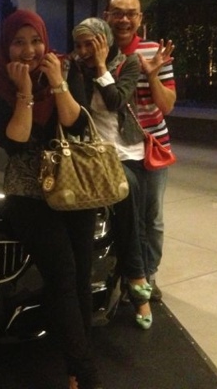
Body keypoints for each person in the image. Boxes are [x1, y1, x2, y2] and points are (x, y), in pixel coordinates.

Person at [0, 9, 103, 389]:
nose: (30, 50)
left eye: (36, 40)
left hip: (73, 184)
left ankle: (76, 365)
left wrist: (57, 83)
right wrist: (24, 92)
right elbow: (16, 141)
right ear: (7, 46)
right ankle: (85, 371)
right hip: (29, 192)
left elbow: (76, 124)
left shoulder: (66, 69)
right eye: (19, 42)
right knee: (63, 274)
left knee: (80, 276)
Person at [71, 17, 152, 330]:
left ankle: (137, 281)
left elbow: (116, 100)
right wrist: (81, 70)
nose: (83, 51)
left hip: (126, 152)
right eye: (79, 45)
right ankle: (136, 280)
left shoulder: (128, 63)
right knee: (123, 209)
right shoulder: (77, 69)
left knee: (131, 209)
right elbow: (77, 114)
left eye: (89, 44)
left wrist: (102, 66)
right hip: (93, 154)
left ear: (104, 41)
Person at [104, 0, 176, 301]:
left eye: (131, 13)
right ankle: (126, 274)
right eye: (118, 13)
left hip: (151, 146)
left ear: (140, 19)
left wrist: (153, 75)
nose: (124, 19)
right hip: (113, 149)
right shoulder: (98, 51)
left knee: (152, 217)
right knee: (122, 217)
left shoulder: (153, 52)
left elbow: (167, 105)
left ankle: (149, 275)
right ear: (107, 16)